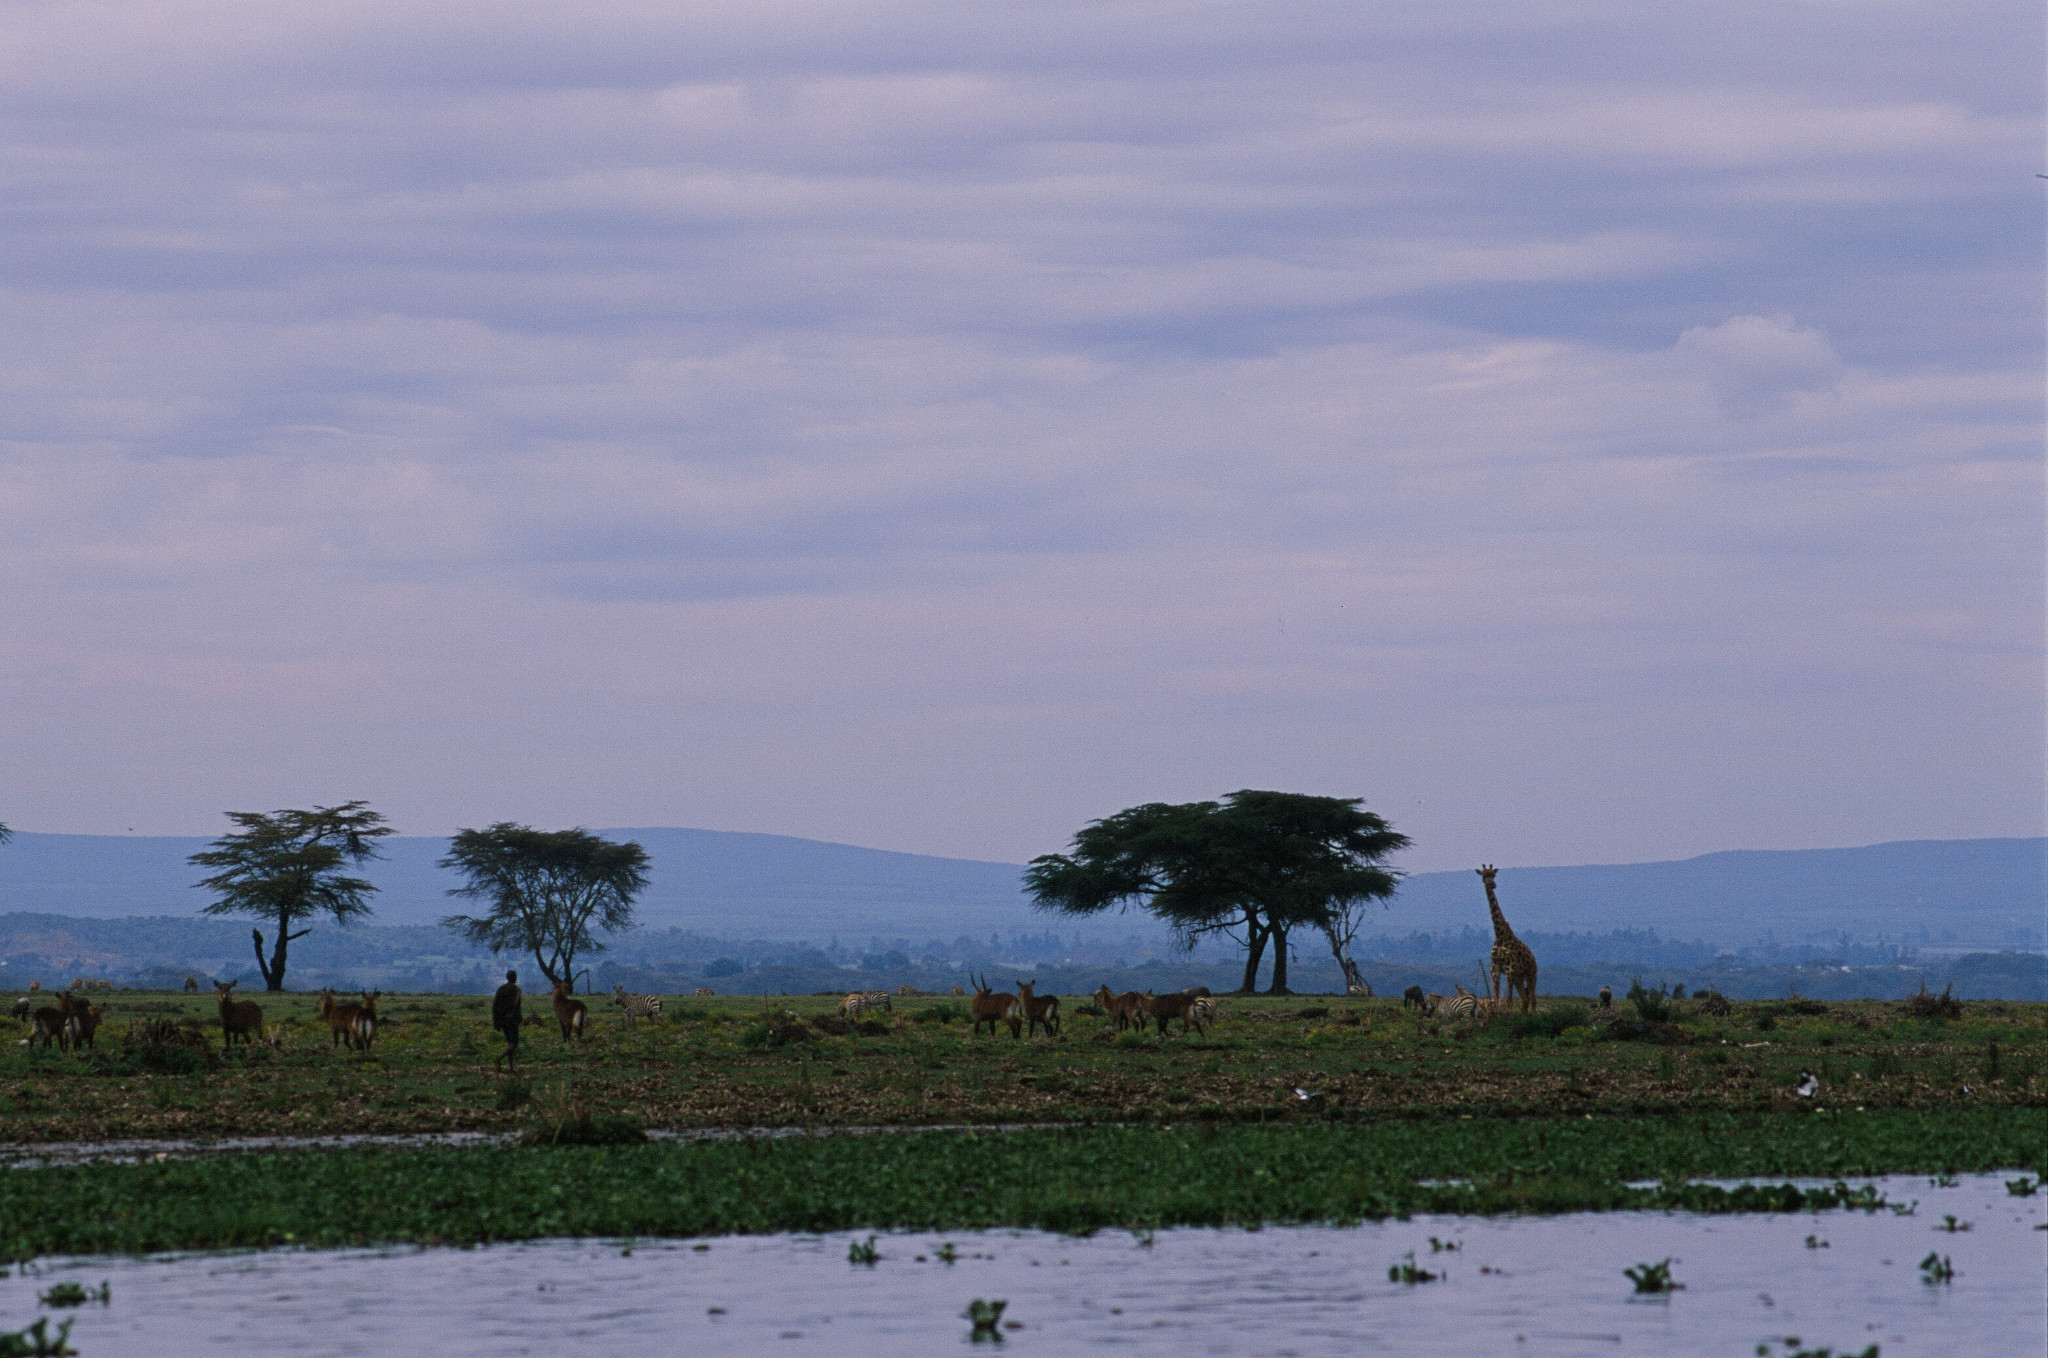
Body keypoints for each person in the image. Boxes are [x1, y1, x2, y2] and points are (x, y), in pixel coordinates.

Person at [492, 969, 524, 1070]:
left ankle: (511, 1067)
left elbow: (494, 1006)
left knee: (510, 1043)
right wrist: (519, 1018)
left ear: (507, 978)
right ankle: (499, 1058)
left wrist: (495, 1022)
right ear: (515, 978)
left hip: (501, 1020)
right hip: (512, 1020)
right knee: (514, 1044)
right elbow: (516, 1006)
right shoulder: (517, 990)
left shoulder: (501, 989)